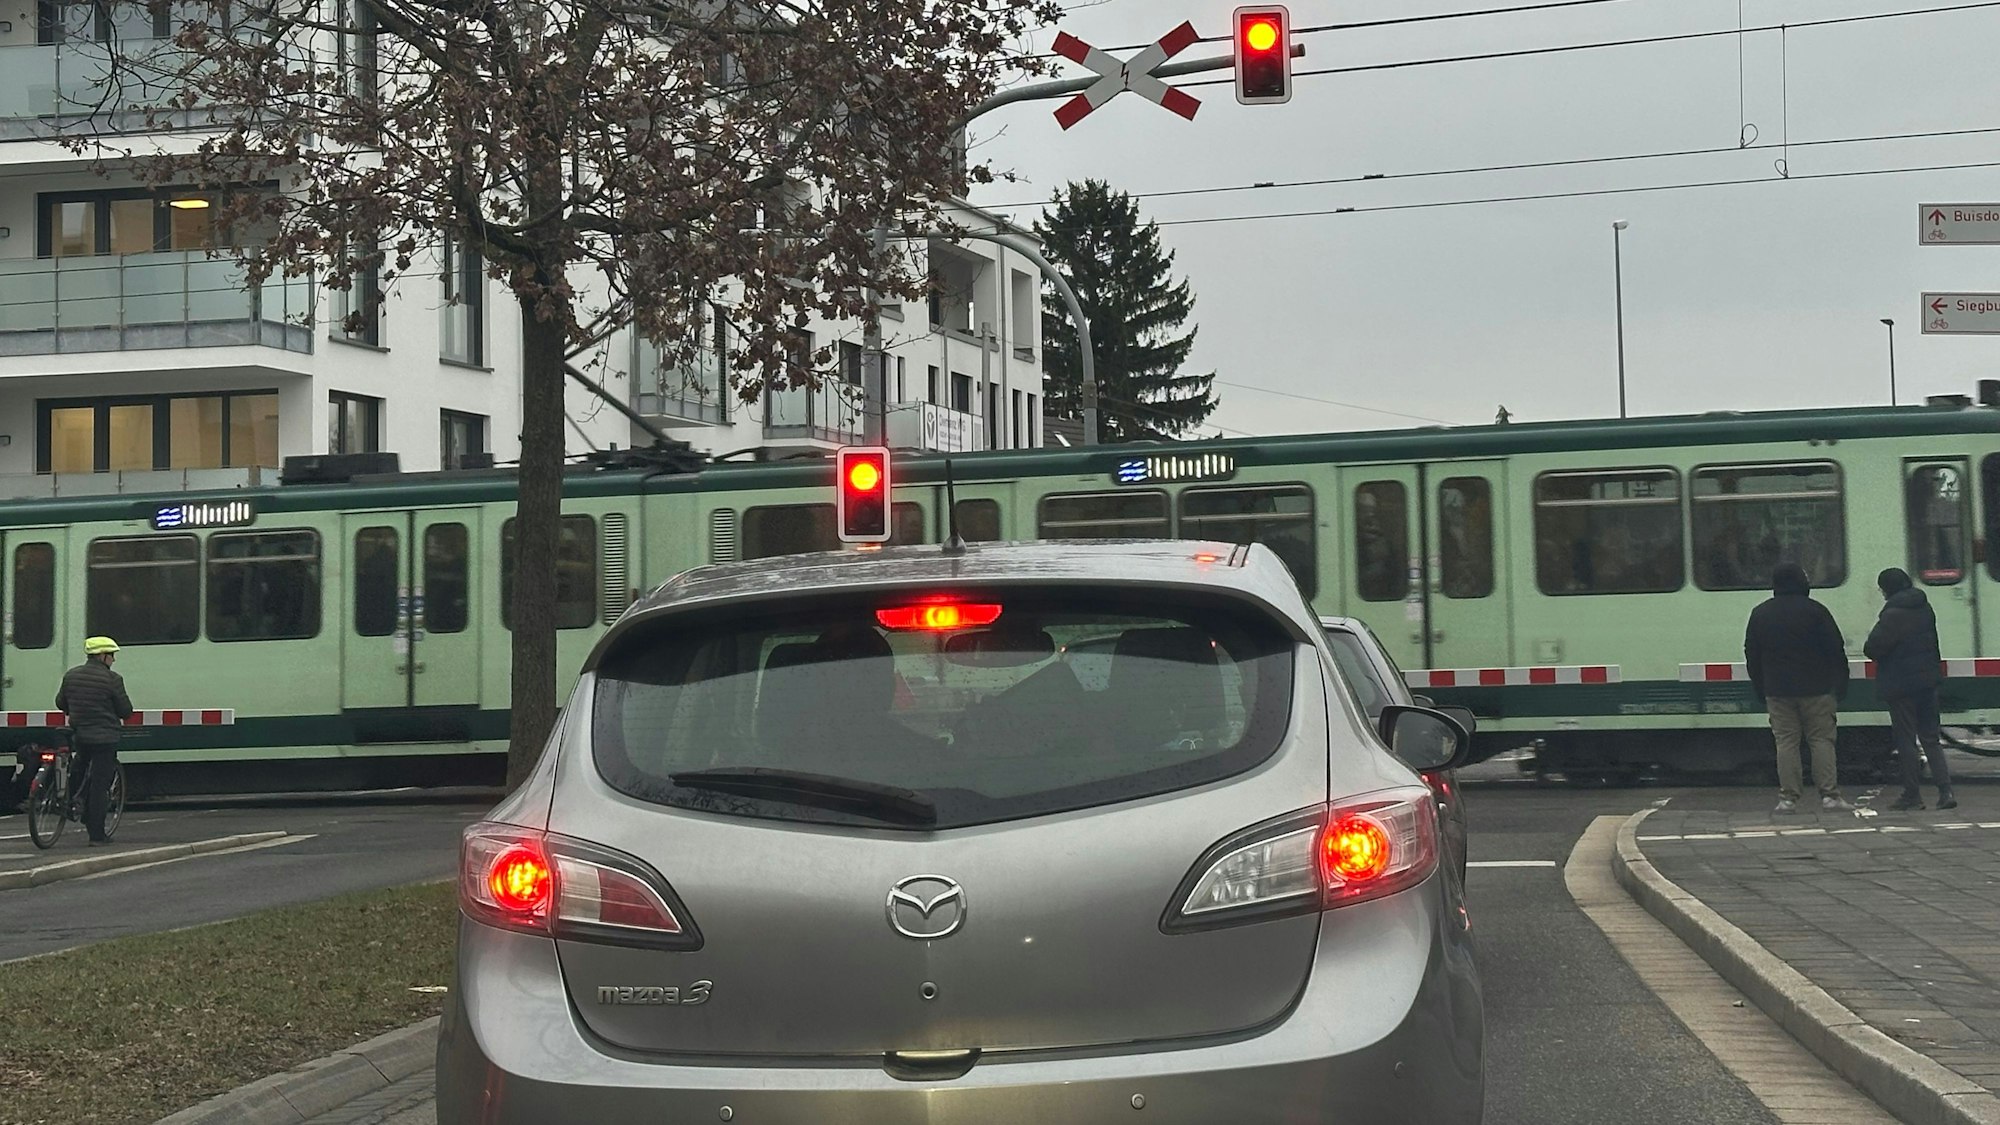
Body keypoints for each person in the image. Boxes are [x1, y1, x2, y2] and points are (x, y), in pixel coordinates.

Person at [1745, 562, 1853, 813]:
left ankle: (1788, 798)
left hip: (1778, 690)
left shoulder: (1761, 613)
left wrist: (1760, 686)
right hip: (1817, 688)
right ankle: (1830, 796)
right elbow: (1835, 650)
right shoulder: (1816, 611)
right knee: (1821, 740)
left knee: (1786, 742)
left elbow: (1752, 653)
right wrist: (1841, 682)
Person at [1866, 568, 1956, 811]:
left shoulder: (1892, 615)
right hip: (1927, 683)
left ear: (1887, 588)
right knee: (1931, 738)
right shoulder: (1924, 608)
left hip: (1901, 686)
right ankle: (1945, 791)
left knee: (1906, 740)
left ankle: (1912, 795)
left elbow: (1872, 648)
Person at [55, 636, 133, 843]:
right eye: (112, 655)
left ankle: (71, 802)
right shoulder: (113, 679)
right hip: (105, 738)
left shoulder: (71, 676)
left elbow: (60, 702)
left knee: (79, 766)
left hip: (80, 734)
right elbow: (125, 710)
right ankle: (97, 835)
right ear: (102, 656)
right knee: (100, 786)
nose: (113, 660)